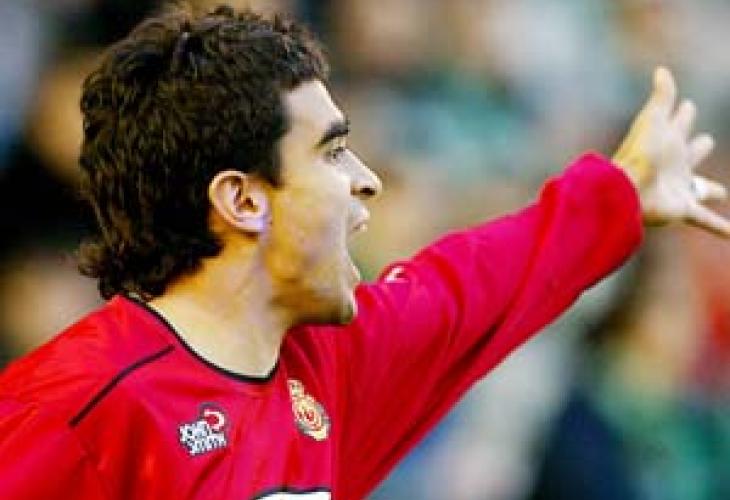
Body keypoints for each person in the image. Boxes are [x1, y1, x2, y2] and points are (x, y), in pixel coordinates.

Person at [0, 5, 728, 499]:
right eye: (332, 152)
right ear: (242, 200)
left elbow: (474, 286)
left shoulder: (329, 368)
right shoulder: (75, 409)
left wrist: (621, 194)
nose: (366, 180)